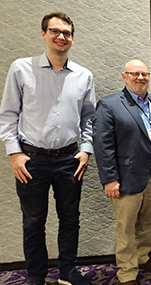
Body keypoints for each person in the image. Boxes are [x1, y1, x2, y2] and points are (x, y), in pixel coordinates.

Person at [0, 12, 95, 285]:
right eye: (55, 31)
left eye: (66, 33)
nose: (61, 37)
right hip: (31, 160)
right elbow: (8, 114)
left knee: (70, 220)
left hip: (69, 158)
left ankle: (67, 272)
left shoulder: (83, 75)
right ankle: (36, 277)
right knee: (33, 222)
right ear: (43, 34)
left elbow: (90, 117)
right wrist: (15, 153)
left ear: (72, 39)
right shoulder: (21, 68)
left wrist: (86, 149)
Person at [93, 60, 151, 285]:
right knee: (126, 226)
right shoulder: (109, 104)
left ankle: (142, 256)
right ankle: (127, 273)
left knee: (147, 221)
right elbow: (103, 145)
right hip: (126, 178)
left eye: (144, 74)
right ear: (124, 76)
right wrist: (109, 179)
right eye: (135, 74)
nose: (141, 78)